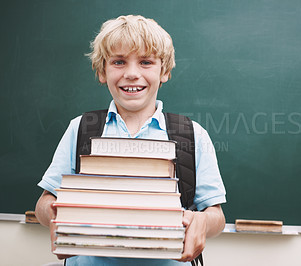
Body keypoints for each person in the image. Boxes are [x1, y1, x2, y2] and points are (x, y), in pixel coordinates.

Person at [35, 15, 226, 265]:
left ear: (164, 71)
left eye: (146, 62)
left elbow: (216, 216)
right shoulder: (81, 129)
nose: (132, 74)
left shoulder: (192, 134)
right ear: (103, 71)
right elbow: (45, 202)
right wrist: (54, 213)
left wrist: (202, 221)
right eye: (119, 62)